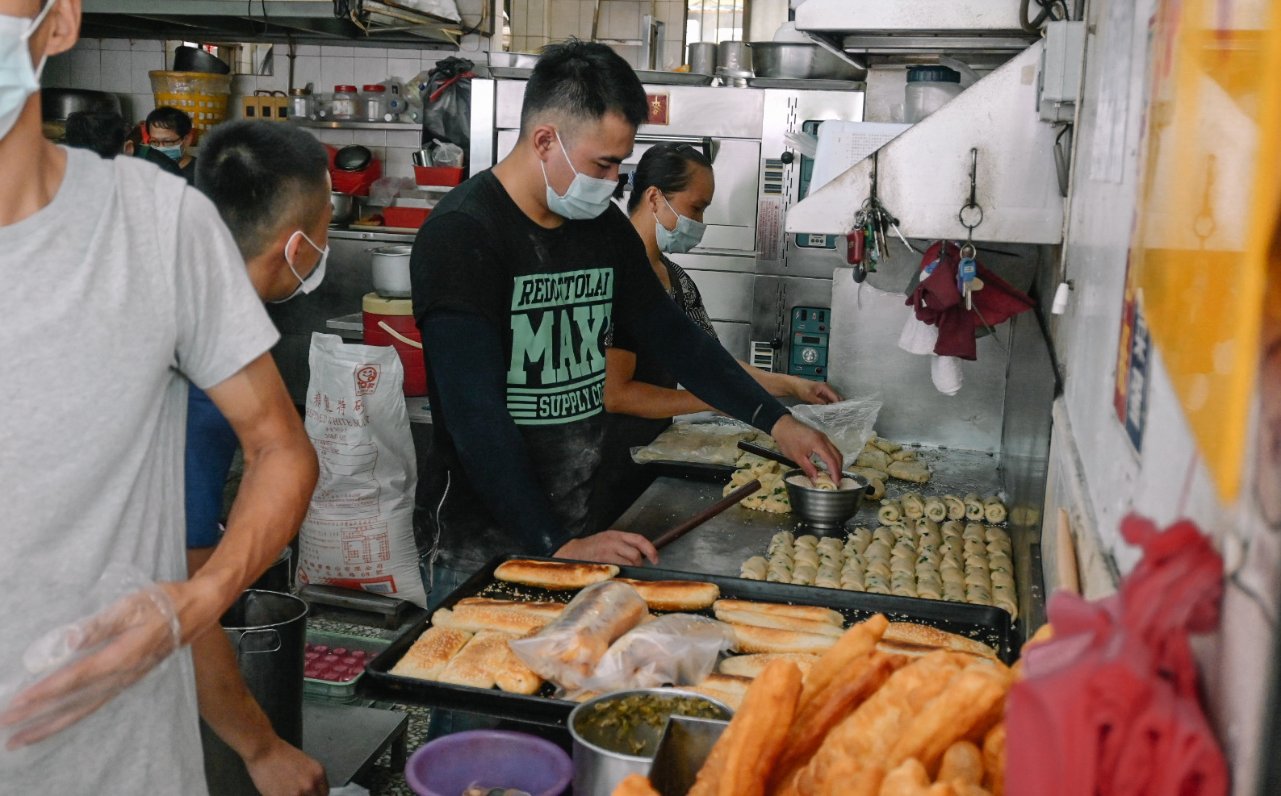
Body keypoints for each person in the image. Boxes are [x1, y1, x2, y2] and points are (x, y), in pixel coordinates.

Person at [0, 2, 319, 794]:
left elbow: (280, 449)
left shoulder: (155, 224)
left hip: (121, 769)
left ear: (58, 19)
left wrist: (197, 600)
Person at [409, 40, 842, 605]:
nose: (613, 181)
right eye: (602, 164)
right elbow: (474, 416)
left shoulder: (600, 229)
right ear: (545, 141)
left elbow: (674, 336)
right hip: (481, 543)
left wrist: (777, 422)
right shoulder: (463, 235)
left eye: (620, 163)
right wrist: (552, 542)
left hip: (580, 526)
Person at [191, 120, 332, 796]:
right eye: (328, 224)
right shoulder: (201, 366)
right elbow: (180, 596)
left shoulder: (177, 282)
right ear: (297, 244)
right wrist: (259, 745)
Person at [593, 143, 841, 527]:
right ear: (655, 198)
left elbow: (712, 362)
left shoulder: (678, 282)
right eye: (696, 208)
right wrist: (716, 400)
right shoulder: (616, 277)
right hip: (603, 463)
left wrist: (793, 386)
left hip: (653, 456)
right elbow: (617, 393)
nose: (701, 222)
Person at [147, 104, 197, 183]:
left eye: (167, 142)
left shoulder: (200, 175)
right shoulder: (147, 170)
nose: (160, 148)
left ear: (187, 139)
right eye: (154, 142)